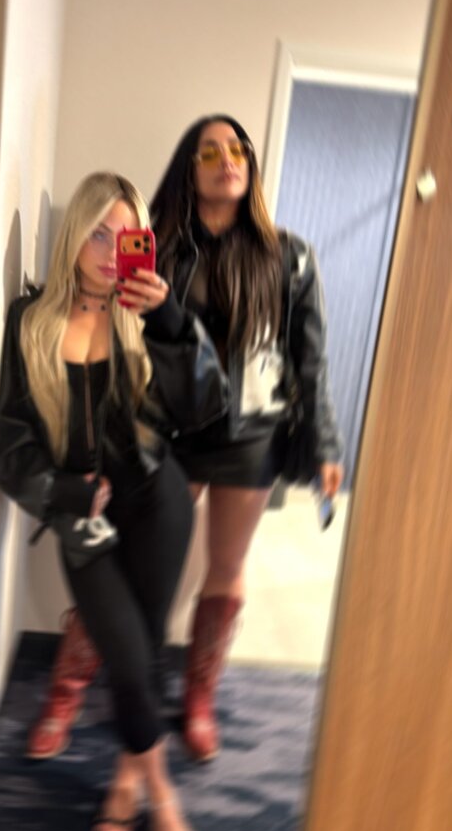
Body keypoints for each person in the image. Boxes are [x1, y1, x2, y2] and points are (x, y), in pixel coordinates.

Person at [25, 115, 343, 766]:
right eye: (210, 152)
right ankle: (68, 691)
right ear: (188, 168)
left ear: (250, 164)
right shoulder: (156, 245)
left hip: (249, 432)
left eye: (237, 150)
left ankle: (198, 699)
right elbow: (101, 325)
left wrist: (325, 443)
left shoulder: (289, 255)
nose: (227, 161)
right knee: (121, 560)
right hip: (167, 425)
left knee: (227, 566)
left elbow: (310, 361)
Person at [0, 172, 228, 831]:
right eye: (97, 233)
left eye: (125, 237)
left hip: (158, 499)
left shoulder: (148, 314)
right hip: (83, 517)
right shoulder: (30, 322)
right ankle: (162, 794)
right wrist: (65, 493)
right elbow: (13, 444)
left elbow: (206, 406)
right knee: (128, 654)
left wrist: (171, 321)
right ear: (74, 235)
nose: (108, 250)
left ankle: (129, 780)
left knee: (144, 650)